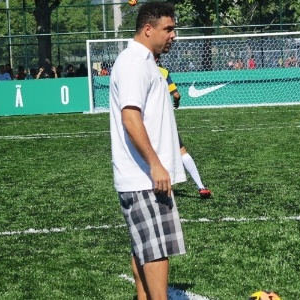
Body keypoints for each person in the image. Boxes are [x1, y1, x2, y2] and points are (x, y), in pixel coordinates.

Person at [108, 3, 185, 300]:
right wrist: (155, 164)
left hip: (150, 176)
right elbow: (131, 118)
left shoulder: (146, 62)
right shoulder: (133, 63)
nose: (173, 35)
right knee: (155, 249)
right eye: (168, 29)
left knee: (145, 246)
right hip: (143, 177)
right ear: (148, 29)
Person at [156, 55, 212, 199]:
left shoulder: (139, 71)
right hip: (165, 120)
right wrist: (177, 103)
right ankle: (201, 186)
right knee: (182, 152)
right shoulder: (163, 72)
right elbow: (176, 95)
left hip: (148, 122)